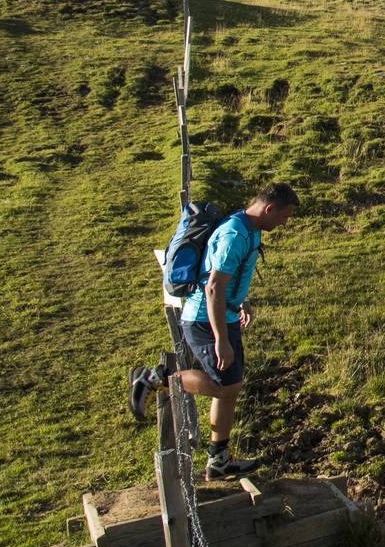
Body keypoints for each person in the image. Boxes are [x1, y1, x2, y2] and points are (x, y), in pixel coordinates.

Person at [128, 181, 299, 480]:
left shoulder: (249, 228)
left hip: (223, 316)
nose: (285, 222)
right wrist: (221, 339)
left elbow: (227, 279)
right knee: (223, 386)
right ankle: (155, 378)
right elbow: (213, 287)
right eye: (284, 216)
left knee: (230, 387)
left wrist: (240, 303)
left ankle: (218, 460)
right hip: (205, 320)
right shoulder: (235, 234)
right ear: (269, 208)